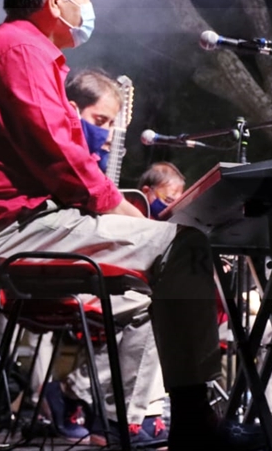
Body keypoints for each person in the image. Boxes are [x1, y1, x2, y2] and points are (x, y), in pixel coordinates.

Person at [0, 0, 261, 450]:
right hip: (18, 233)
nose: (89, 6)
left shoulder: (22, 51)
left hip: (29, 225)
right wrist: (128, 212)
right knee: (183, 247)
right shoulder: (20, 50)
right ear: (55, 1)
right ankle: (194, 424)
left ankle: (121, 423)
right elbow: (60, 159)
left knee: (146, 297)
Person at [58, 70, 170, 446]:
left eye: (111, 124)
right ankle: (128, 420)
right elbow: (107, 204)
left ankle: (116, 415)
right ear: (73, 111)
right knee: (156, 298)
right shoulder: (67, 155)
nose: (106, 133)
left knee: (149, 300)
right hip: (58, 267)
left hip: (80, 264)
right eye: (99, 121)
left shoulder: (84, 158)